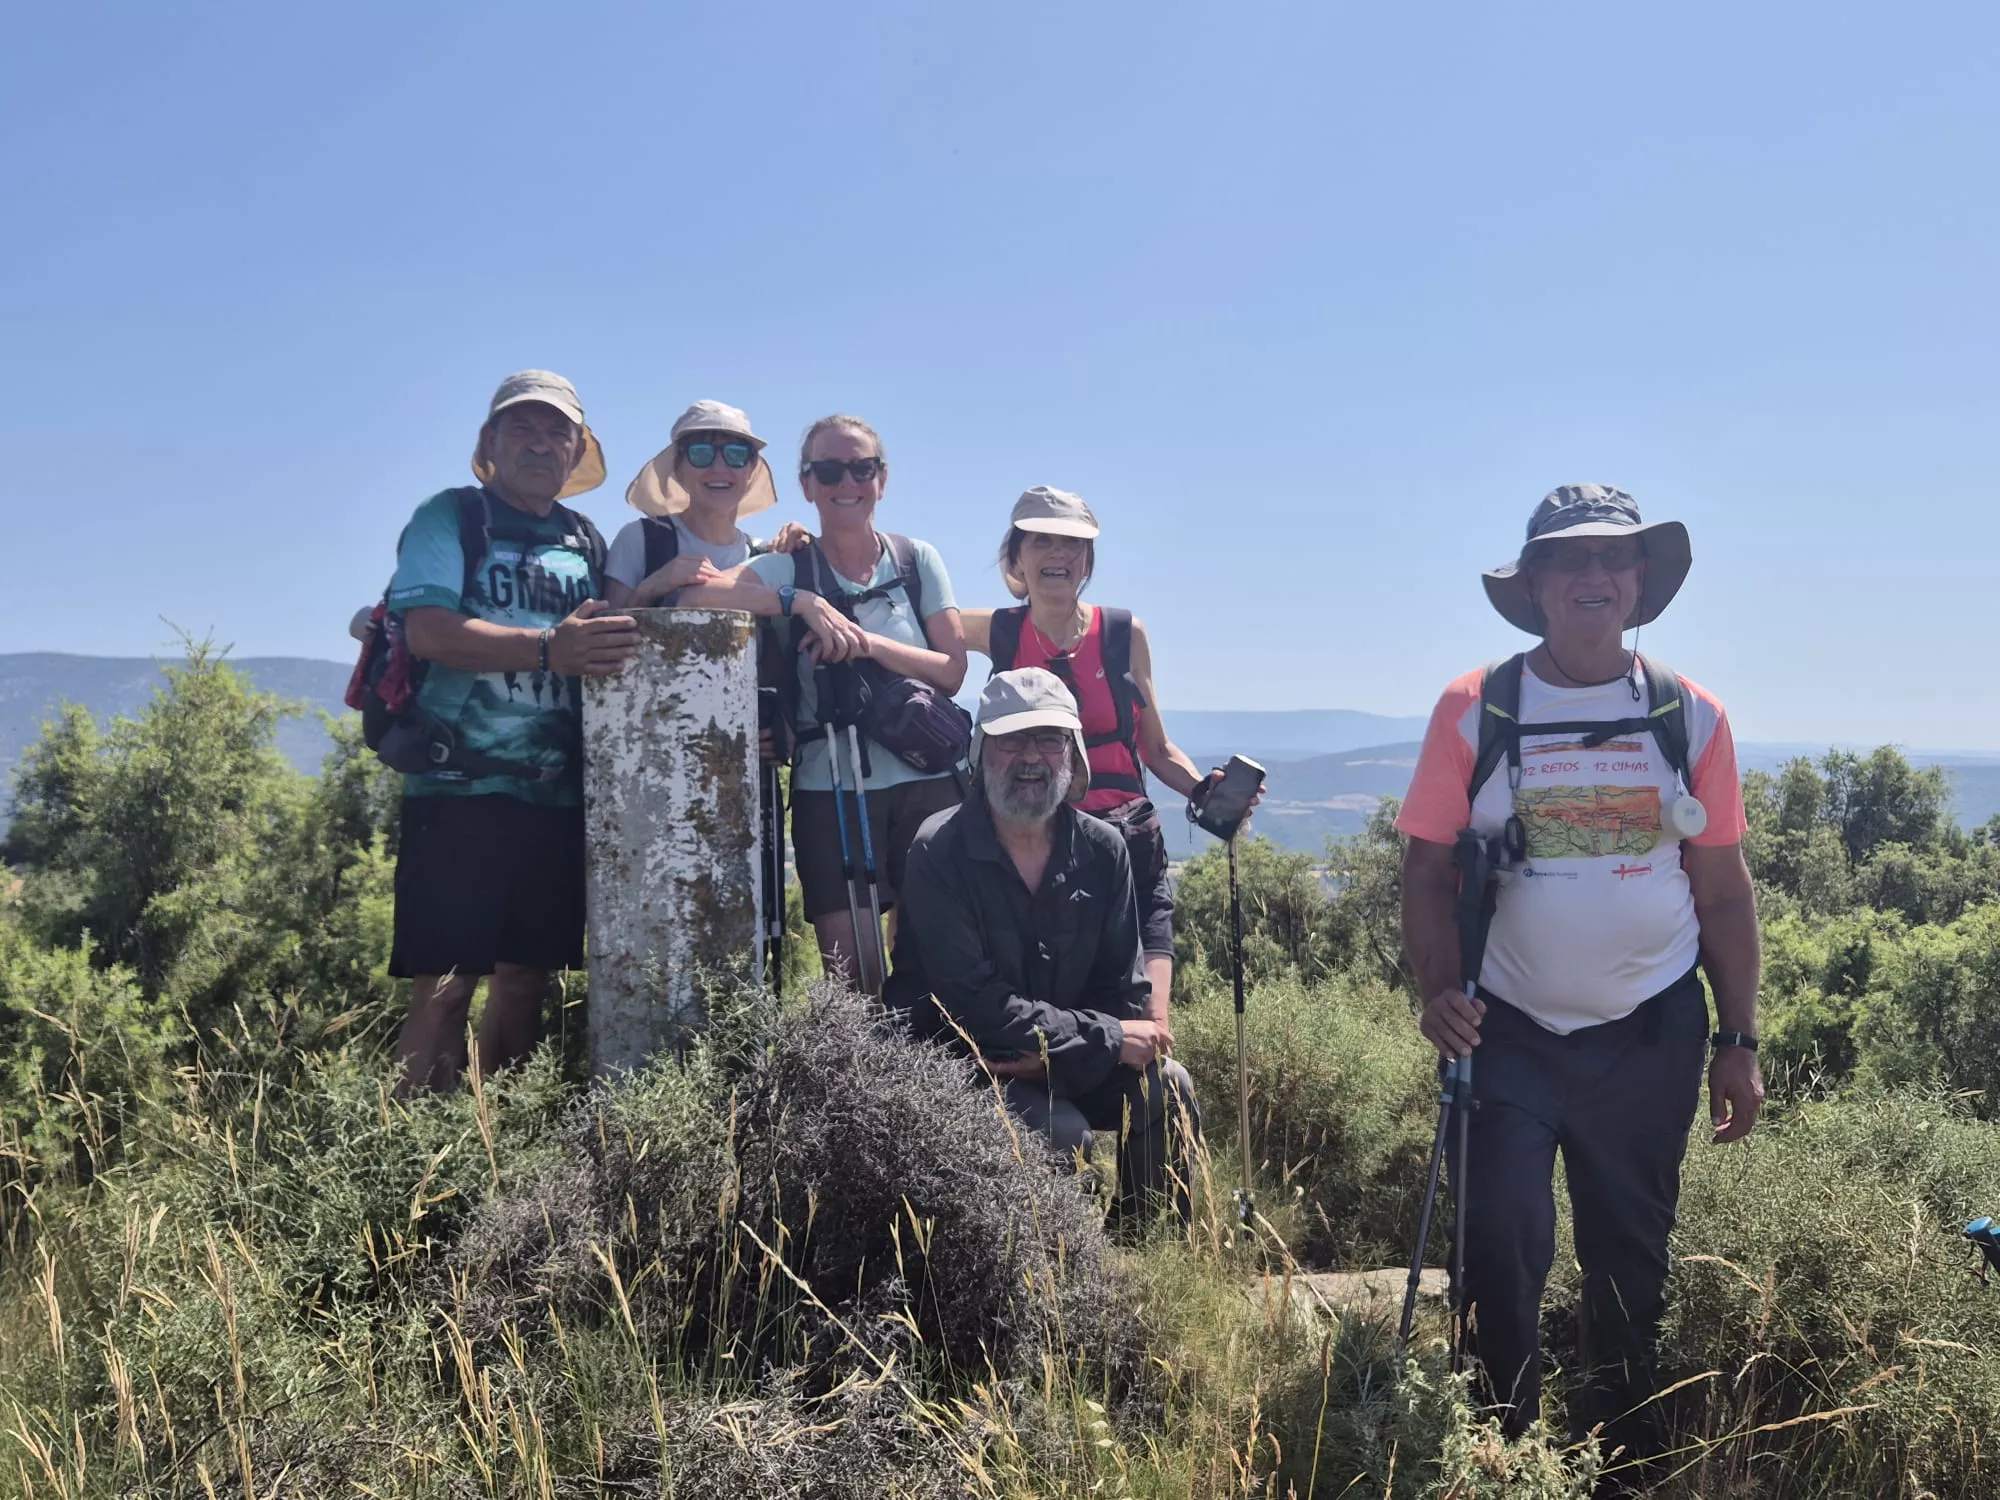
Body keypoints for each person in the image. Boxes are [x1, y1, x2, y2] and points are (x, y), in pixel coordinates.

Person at [1396, 484, 1763, 1478]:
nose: (1592, 577)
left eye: (1611, 559)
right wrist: (1437, 990)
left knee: (1628, 1264)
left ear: (1638, 580)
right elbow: (1425, 868)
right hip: (1503, 1032)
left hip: (1648, 1034)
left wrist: (1737, 1040)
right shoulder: (1475, 709)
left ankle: (1619, 1466)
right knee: (1500, 1257)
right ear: (1536, 585)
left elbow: (1723, 895)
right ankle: (1503, 1460)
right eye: (1567, 561)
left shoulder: (1688, 717)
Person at [386, 371, 641, 1093]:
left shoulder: (585, 539)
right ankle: (412, 1158)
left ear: (576, 450)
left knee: (526, 981)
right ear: (490, 442)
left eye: (556, 430)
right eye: (522, 428)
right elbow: (429, 629)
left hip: (556, 800)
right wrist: (543, 651)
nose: (540, 442)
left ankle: (503, 1149)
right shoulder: (451, 517)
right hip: (457, 787)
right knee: (445, 985)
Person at [889, 668, 1200, 1221]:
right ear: (982, 751)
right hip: (968, 1066)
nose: (1031, 757)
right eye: (1012, 738)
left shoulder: (1104, 850)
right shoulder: (939, 851)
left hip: (1059, 1058)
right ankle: (1057, 1288)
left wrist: (1054, 1060)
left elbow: (1123, 993)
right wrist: (1097, 1041)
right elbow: (973, 1006)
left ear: (1073, 753)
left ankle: (1147, 1260)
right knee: (1062, 1137)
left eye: (1049, 738)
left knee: (1168, 1090)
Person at [680, 415, 965, 990]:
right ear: (807, 484)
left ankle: (934, 1077)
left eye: (861, 468)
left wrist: (864, 642)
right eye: (829, 470)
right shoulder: (788, 566)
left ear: (882, 479)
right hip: (828, 780)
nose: (846, 483)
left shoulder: (916, 561)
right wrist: (800, 600)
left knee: (934, 957)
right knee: (852, 974)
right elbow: (696, 594)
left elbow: (953, 670)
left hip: (928, 781)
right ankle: (863, 1079)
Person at [963, 486, 1223, 1032]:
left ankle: (1151, 1069)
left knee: (1149, 1019)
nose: (1058, 554)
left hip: (1128, 841)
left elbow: (1155, 748)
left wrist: (1205, 791)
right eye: (1042, 541)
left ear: (1087, 560)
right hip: (1037, 845)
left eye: (1072, 544)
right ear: (1017, 556)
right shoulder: (998, 630)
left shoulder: (1124, 635)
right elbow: (904, 618)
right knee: (1066, 1017)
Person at [601, 400, 782, 610]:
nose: (719, 467)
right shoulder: (640, 540)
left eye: (736, 454)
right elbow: (606, 633)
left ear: (751, 470)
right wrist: (651, 587)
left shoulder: (763, 555)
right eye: (701, 453)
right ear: (678, 468)